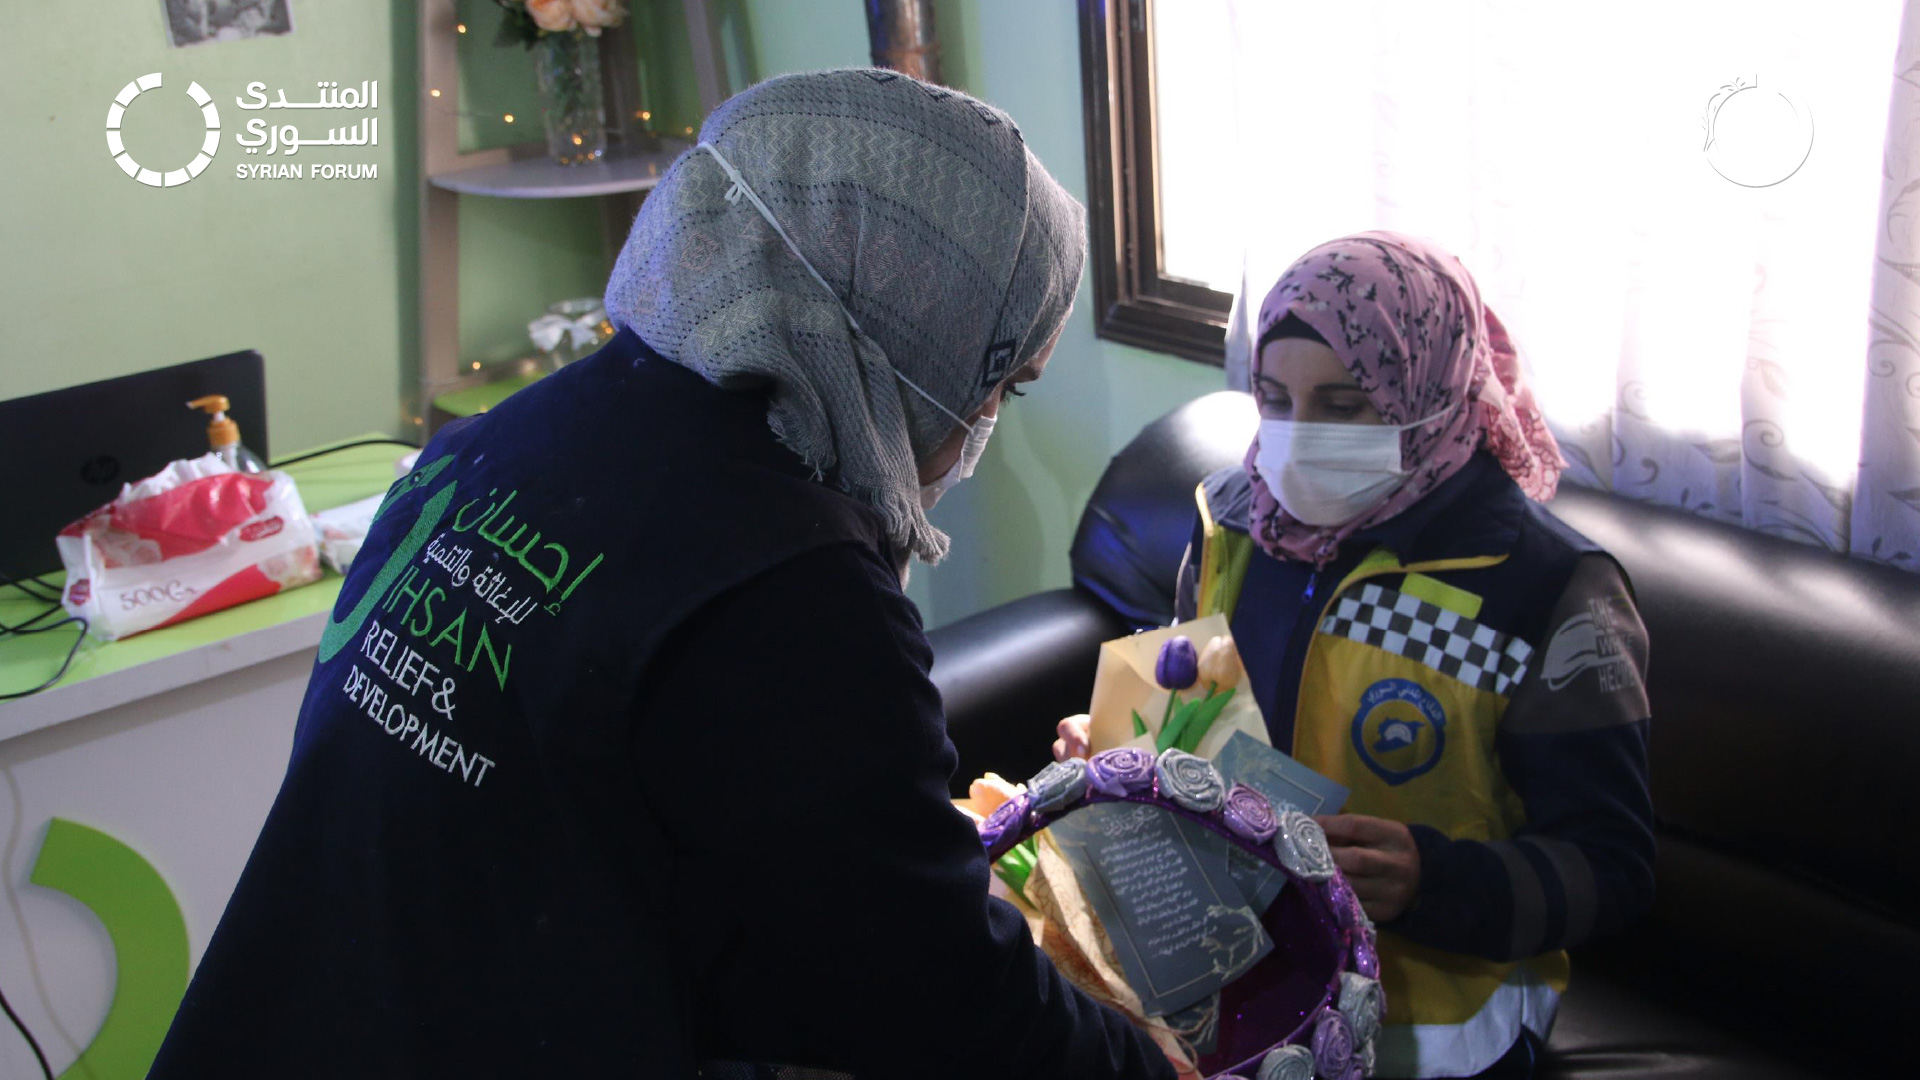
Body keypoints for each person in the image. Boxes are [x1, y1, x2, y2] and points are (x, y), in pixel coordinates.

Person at [149, 70, 1176, 1080]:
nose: (976, 425)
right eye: (998, 378)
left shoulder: (505, 444)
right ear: (914, 329)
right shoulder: (787, 583)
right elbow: (934, 998)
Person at [1055, 232, 1655, 1079]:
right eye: (1273, 398)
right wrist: (1127, 750)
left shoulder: (1546, 589)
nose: (1297, 441)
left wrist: (1431, 881)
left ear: (1431, 390)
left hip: (1435, 1027)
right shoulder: (1231, 521)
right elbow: (1200, 711)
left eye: (1344, 406)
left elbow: (1613, 866)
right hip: (1239, 977)